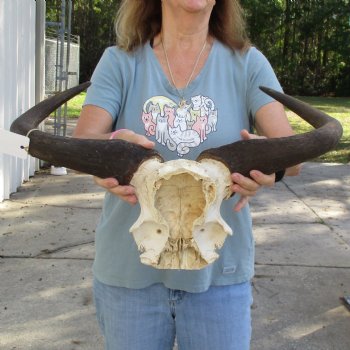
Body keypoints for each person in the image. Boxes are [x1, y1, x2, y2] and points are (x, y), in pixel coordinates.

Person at [73, 1, 300, 349]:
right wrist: (112, 146)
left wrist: (269, 165)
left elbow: (292, 156)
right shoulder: (120, 61)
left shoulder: (248, 63)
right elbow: (82, 147)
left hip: (219, 276)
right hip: (129, 275)